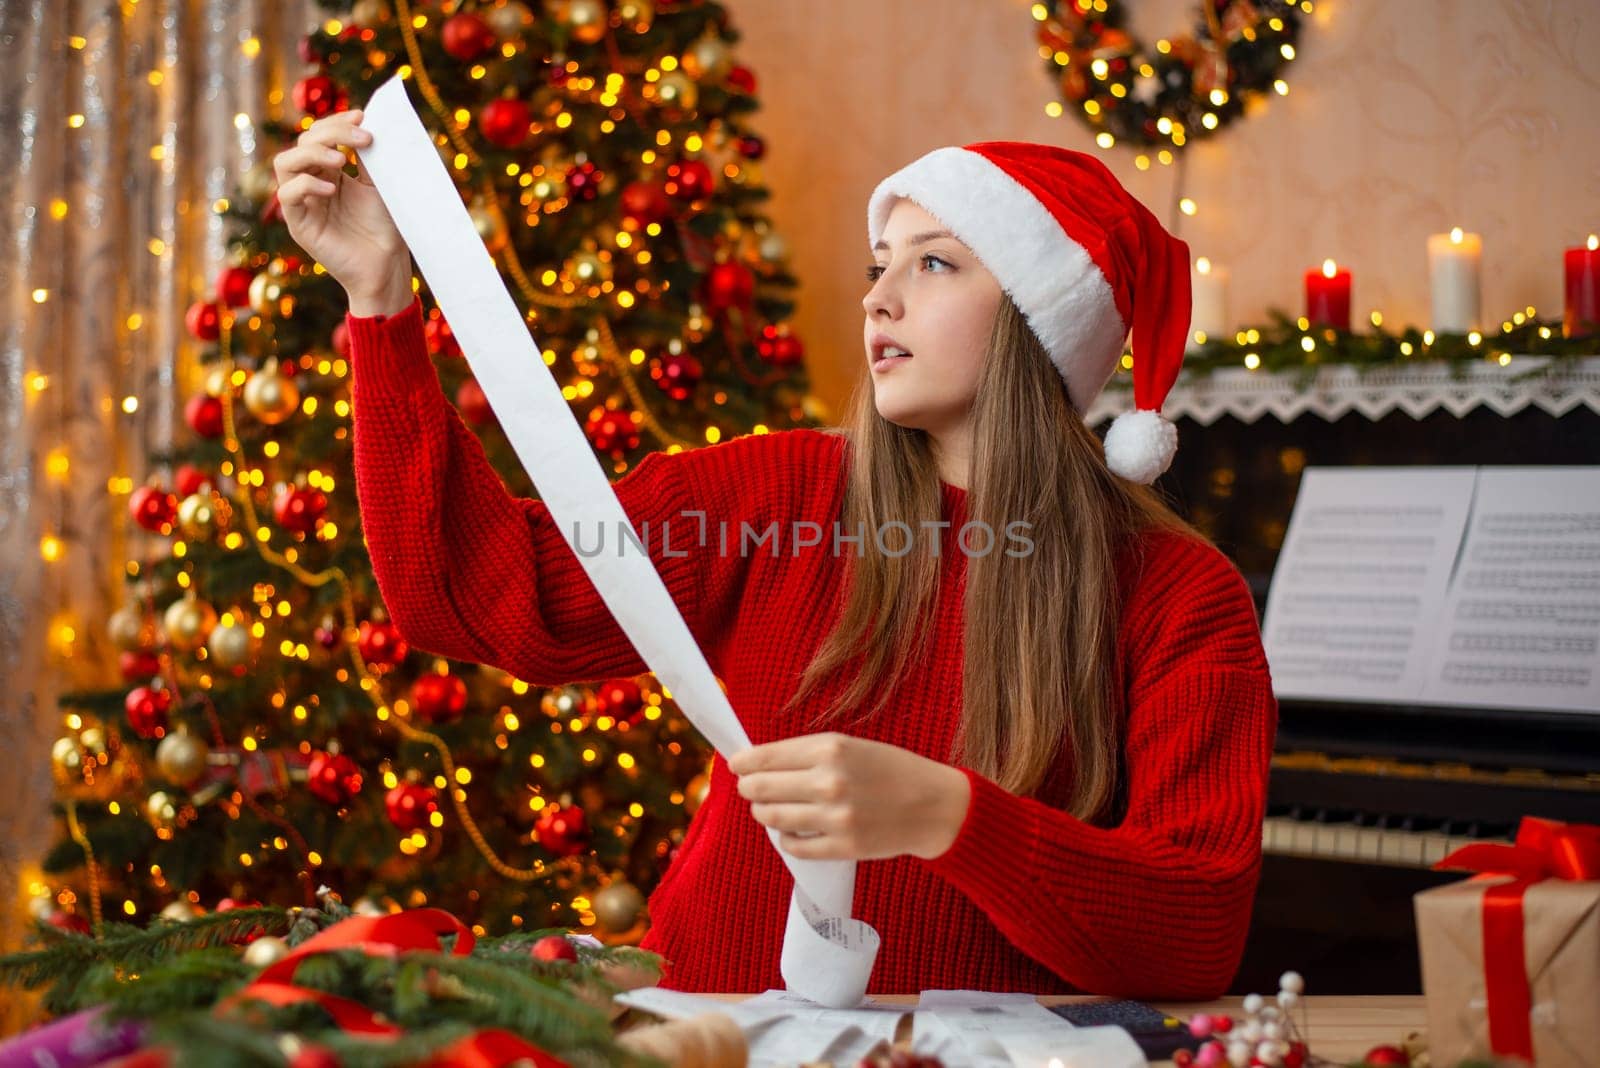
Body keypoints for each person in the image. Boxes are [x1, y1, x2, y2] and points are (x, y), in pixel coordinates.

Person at [274, 114, 1276, 999]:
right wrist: (379, 298)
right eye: (877, 263)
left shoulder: (1179, 595)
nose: (877, 299)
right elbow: (477, 592)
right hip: (705, 1034)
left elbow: (1189, 939)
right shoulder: (774, 498)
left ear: (1036, 317)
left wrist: (948, 816)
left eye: (932, 262)